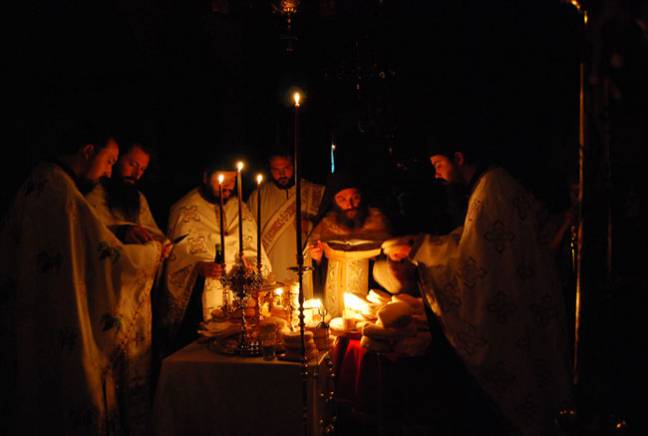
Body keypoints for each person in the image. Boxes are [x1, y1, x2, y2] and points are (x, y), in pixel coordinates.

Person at [383, 139, 571, 435]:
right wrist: (417, 246)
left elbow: (475, 266)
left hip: (517, 308)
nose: (436, 173)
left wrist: (419, 252)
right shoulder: (489, 184)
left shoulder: (491, 189)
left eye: (438, 164)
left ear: (458, 158)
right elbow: (468, 242)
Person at [0, 122, 164, 435]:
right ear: (89, 151)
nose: (109, 172)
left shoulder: (44, 180)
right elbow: (101, 252)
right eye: (111, 161)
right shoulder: (61, 192)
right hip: (60, 313)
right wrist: (152, 254)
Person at [160, 161, 271, 353]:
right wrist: (198, 267)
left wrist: (251, 265)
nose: (228, 186)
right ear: (205, 177)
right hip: (198, 303)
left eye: (232, 180)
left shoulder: (240, 208)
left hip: (239, 299)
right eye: (222, 180)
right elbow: (173, 259)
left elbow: (254, 250)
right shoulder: (184, 209)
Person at [307, 172, 390, 316]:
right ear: (334, 200)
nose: (349, 205)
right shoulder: (326, 225)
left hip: (367, 309)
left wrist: (380, 257)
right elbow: (318, 268)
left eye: (355, 198)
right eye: (342, 199)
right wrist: (318, 259)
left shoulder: (377, 222)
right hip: (332, 304)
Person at [246, 151, 323, 284]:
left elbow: (330, 230)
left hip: (305, 269)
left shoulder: (313, 192)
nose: (282, 174)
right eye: (276, 169)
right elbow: (247, 235)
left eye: (286, 168)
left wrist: (310, 226)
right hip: (272, 268)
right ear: (270, 170)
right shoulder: (258, 196)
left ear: (294, 166)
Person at [86, 139, 165, 244]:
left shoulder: (138, 198)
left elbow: (154, 232)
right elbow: (89, 229)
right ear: (118, 158)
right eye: (132, 165)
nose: (137, 175)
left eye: (142, 169)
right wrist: (121, 232)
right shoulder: (94, 191)